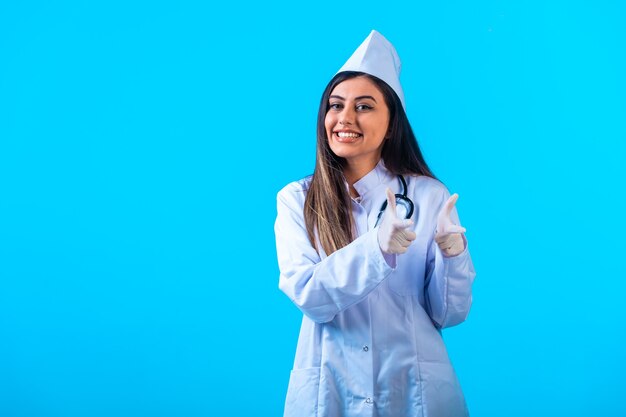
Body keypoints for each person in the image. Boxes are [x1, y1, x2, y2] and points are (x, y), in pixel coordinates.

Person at [274, 30, 476, 417]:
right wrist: (376, 248)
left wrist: (454, 256)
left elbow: (448, 314)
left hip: (412, 391)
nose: (345, 118)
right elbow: (310, 296)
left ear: (391, 123)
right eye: (336, 105)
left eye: (364, 107)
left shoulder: (429, 196)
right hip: (329, 390)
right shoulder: (297, 199)